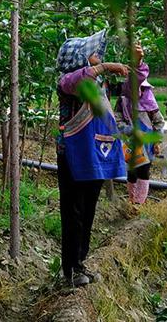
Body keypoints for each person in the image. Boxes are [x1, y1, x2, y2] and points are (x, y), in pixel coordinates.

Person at [55, 30, 129, 288]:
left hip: (94, 156)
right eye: (94, 54)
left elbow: (132, 89)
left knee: (87, 211)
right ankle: (70, 270)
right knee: (73, 212)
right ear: (80, 59)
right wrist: (107, 67)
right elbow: (76, 80)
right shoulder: (68, 82)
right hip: (73, 157)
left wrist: (138, 64)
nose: (99, 57)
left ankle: (79, 262)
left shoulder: (99, 86)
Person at [115, 45, 165, 204]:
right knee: (131, 171)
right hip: (131, 141)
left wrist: (156, 141)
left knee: (144, 171)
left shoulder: (150, 104)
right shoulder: (124, 101)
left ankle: (140, 201)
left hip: (146, 142)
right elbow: (117, 116)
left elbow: (159, 121)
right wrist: (125, 129)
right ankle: (132, 199)